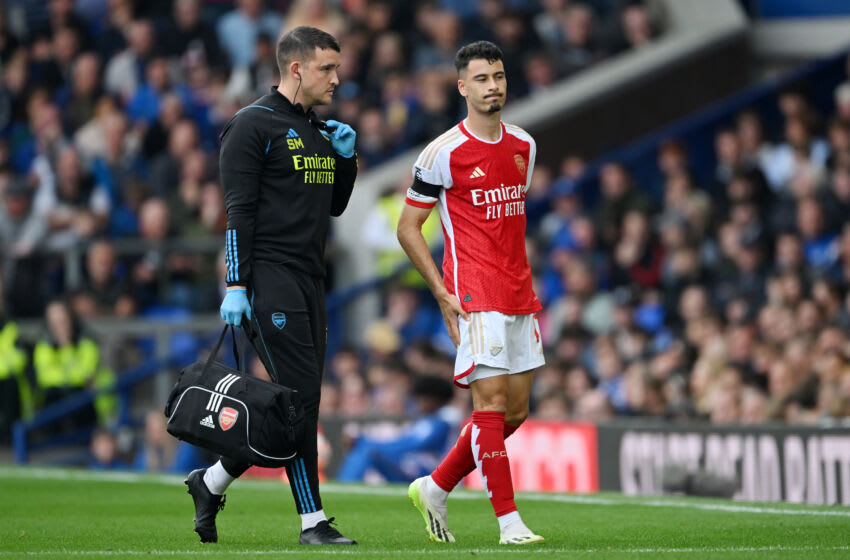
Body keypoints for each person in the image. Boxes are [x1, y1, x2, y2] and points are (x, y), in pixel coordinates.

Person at [182, 26, 358, 546]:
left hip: (310, 280)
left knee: (295, 402)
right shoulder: (250, 126)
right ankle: (313, 522)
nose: (337, 78)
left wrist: (345, 159)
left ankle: (210, 482)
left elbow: (335, 206)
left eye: (338, 67)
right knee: (301, 400)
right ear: (296, 69)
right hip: (267, 281)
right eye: (327, 68)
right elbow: (238, 213)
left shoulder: (317, 130)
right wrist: (235, 284)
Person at [397, 41, 545, 545]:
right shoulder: (442, 153)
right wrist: (442, 292)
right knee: (491, 403)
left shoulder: (524, 144)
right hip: (474, 291)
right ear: (463, 87)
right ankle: (509, 523)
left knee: (516, 413)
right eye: (482, 79)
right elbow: (409, 228)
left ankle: (436, 485)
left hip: (518, 291)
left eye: (499, 76)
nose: (493, 86)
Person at [336, 375, 459, 483]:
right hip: (414, 473)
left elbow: (404, 446)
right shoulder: (427, 421)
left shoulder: (440, 423)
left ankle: (341, 490)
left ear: (435, 399)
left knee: (367, 450)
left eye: (423, 398)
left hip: (427, 477)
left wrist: (361, 440)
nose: (420, 402)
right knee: (365, 450)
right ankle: (342, 487)